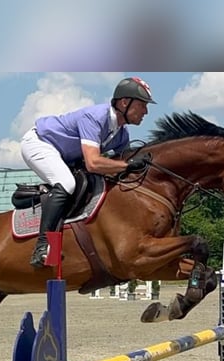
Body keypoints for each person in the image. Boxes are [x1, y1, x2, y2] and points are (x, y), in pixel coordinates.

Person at [20, 76, 157, 268]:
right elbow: (93, 163)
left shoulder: (122, 134)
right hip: (40, 143)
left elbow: (117, 169)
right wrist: (127, 165)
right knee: (67, 183)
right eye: (142, 105)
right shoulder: (96, 117)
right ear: (125, 102)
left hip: (65, 155)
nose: (146, 111)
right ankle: (43, 245)